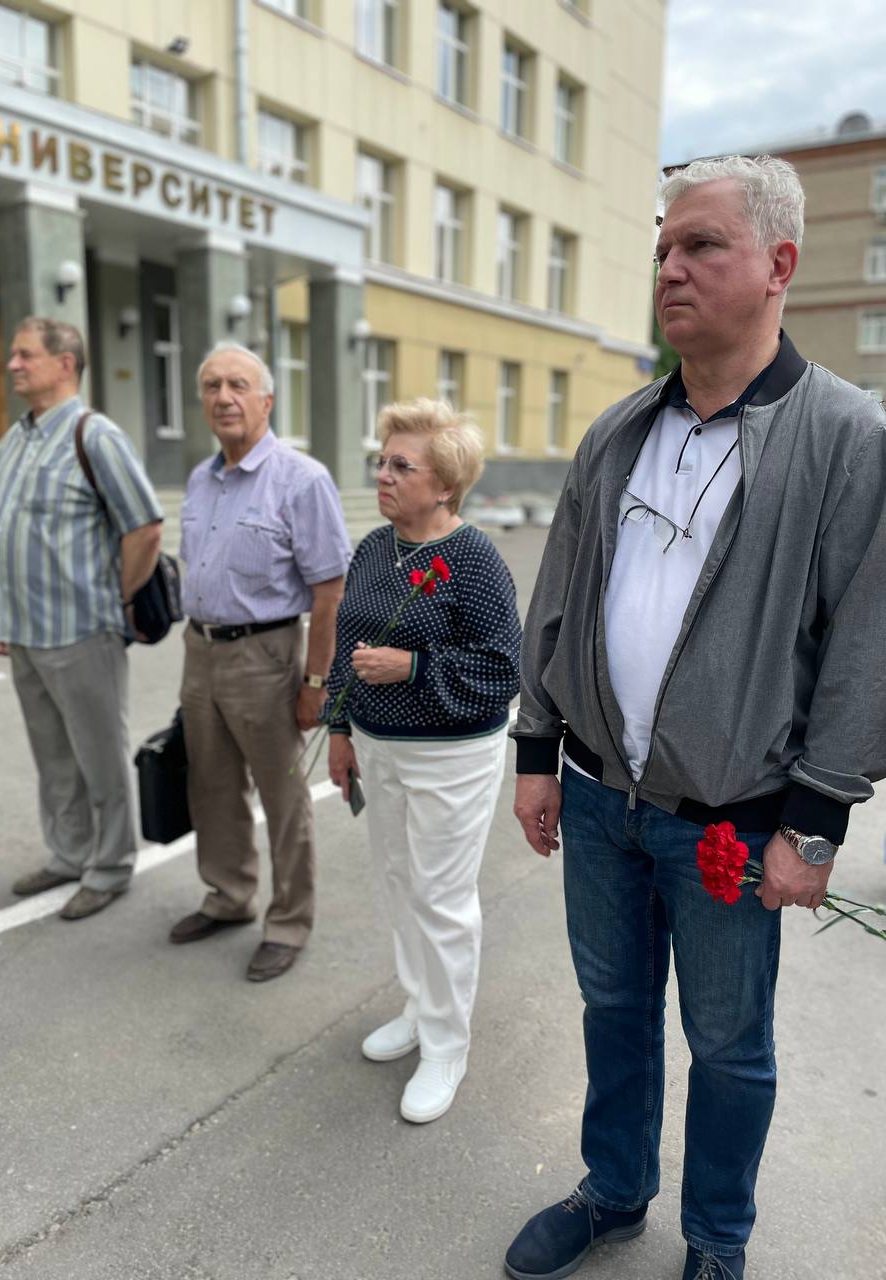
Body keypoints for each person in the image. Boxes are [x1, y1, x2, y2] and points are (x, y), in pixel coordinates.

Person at [505, 155, 886, 1280]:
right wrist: (538, 750)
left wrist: (815, 819)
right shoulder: (621, 429)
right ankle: (615, 1189)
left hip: (731, 813)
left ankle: (717, 1239)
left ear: (779, 264)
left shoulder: (846, 438)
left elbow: (867, 646)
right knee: (612, 1008)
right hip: (598, 798)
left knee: (727, 1045)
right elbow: (559, 595)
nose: (669, 267)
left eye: (702, 245)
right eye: (664, 247)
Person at [327, 399, 521, 1123]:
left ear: (444, 485)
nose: (383, 474)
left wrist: (412, 667)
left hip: (450, 757)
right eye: (382, 461)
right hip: (376, 746)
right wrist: (339, 728)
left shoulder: (474, 560)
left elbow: (504, 670)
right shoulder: (374, 548)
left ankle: (447, 1044)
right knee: (398, 883)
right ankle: (419, 1006)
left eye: (401, 466)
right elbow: (348, 643)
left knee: (441, 898)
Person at [170, 343, 350, 983]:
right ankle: (229, 895)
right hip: (200, 650)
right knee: (212, 784)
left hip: (266, 654)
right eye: (212, 385)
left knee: (282, 795)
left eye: (238, 385)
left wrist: (316, 682)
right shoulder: (201, 479)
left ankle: (289, 921)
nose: (224, 397)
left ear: (266, 400)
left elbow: (330, 591)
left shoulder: (302, 479)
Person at [0, 317, 164, 920]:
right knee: (54, 757)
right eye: (13, 355)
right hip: (26, 631)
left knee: (99, 757)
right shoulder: (14, 441)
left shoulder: (96, 436)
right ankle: (69, 853)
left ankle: (110, 866)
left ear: (65, 364)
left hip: (82, 630)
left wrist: (116, 599)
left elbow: (144, 527)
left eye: (25, 354)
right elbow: (4, 535)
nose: (13, 364)